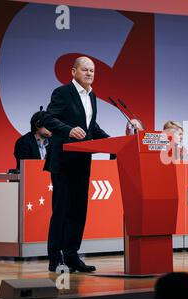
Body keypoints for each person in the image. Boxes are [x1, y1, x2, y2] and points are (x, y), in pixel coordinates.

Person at [42, 56, 112, 273]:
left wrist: (112, 142)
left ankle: (72, 256)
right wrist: (68, 130)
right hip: (63, 162)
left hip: (82, 161)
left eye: (92, 70)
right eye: (85, 70)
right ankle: (56, 258)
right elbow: (48, 119)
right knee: (62, 210)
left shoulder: (92, 96)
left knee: (79, 211)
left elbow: (91, 127)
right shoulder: (62, 92)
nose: (89, 73)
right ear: (73, 72)